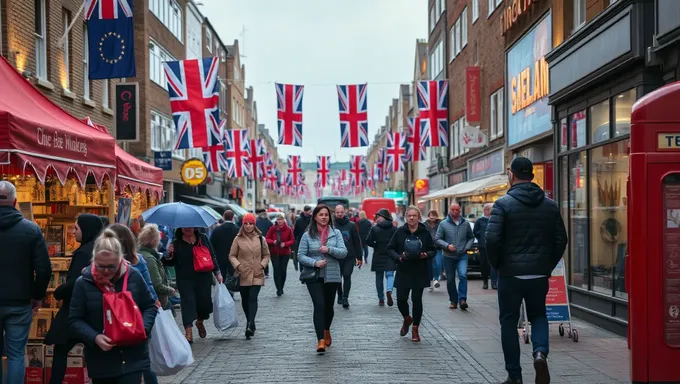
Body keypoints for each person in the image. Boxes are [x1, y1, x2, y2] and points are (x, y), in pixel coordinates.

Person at [485, 157, 567, 384]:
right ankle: (540, 353)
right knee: (539, 315)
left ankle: (515, 376)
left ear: (511, 175)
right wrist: (547, 265)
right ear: (532, 175)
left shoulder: (502, 204)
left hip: (510, 274)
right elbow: (562, 239)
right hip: (538, 274)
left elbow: (491, 239)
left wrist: (497, 264)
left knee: (509, 322)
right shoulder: (550, 205)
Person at [69, 229, 157, 384]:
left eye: (111, 266)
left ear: (121, 260)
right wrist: (95, 337)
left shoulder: (133, 276)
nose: (106, 271)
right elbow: (75, 319)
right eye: (101, 266)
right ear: (93, 260)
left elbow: (150, 306)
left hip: (132, 357)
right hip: (101, 360)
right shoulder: (83, 283)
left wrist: (143, 328)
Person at [0, 181, 51, 383]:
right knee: (15, 354)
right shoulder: (30, 230)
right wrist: (37, 296)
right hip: (19, 302)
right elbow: (44, 269)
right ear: (15, 202)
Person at [45, 214, 103, 384]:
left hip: (76, 309)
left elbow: (74, 283)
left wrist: (58, 292)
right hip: (93, 309)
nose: (73, 232)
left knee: (61, 349)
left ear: (86, 230)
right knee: (92, 349)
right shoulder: (97, 248)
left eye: (76, 228)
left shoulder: (84, 252)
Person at [297, 205, 347, 353]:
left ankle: (326, 329)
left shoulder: (336, 233)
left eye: (326, 215)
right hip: (314, 276)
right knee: (319, 305)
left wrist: (329, 249)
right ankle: (320, 340)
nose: (324, 217)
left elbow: (344, 252)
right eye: (321, 215)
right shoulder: (307, 235)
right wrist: (314, 263)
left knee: (328, 307)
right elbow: (300, 255)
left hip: (331, 275)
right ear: (315, 217)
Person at [165, 227, 222, 343]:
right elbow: (169, 263)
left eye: (190, 226)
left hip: (203, 277)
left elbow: (212, 255)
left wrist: (217, 272)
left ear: (195, 227)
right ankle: (188, 331)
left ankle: (200, 321)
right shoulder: (176, 243)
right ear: (180, 228)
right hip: (185, 279)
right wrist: (168, 254)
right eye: (184, 226)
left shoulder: (203, 238)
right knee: (187, 304)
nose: (188, 228)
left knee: (204, 305)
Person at [387, 206, 436, 342]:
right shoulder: (399, 232)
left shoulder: (424, 232)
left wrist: (426, 254)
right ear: (406, 217)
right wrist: (399, 257)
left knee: (416, 300)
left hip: (419, 270)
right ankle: (407, 318)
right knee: (401, 300)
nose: (412, 218)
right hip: (404, 269)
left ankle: (415, 329)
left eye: (414, 215)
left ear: (418, 217)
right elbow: (390, 249)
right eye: (409, 216)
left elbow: (433, 250)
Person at [229, 213, 271, 340]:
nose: (248, 226)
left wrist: (262, 265)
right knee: (245, 299)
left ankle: (250, 323)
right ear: (243, 224)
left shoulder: (260, 238)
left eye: (251, 223)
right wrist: (238, 266)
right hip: (243, 273)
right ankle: (250, 320)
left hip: (257, 273)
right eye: (246, 223)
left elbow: (266, 255)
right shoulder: (238, 239)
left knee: (253, 297)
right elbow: (232, 255)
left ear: (254, 224)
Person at [435, 203, 475, 310]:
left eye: (457, 210)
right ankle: (453, 300)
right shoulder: (443, 224)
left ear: (460, 211)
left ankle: (462, 300)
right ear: (449, 210)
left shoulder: (465, 224)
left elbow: (471, 238)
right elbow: (437, 239)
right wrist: (447, 245)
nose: (455, 212)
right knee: (450, 279)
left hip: (462, 255)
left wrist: (466, 247)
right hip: (448, 256)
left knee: (463, 275)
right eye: (453, 210)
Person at [138, 224, 176, 310]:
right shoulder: (150, 259)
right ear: (155, 240)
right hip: (156, 302)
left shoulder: (140, 254)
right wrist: (170, 290)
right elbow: (157, 284)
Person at [333, 204, 363, 309]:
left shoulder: (351, 225)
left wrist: (359, 257)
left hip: (349, 256)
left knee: (347, 276)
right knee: (337, 278)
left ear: (344, 212)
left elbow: (356, 241)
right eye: (337, 212)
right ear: (335, 213)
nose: (340, 214)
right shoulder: (331, 225)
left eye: (341, 212)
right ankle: (340, 294)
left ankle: (345, 297)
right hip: (335, 256)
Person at [365, 209, 397, 307]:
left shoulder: (375, 228)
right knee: (390, 274)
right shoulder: (394, 229)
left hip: (378, 254)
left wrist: (376, 245)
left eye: (378, 216)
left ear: (383, 217)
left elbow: (368, 241)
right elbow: (397, 241)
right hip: (390, 255)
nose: (376, 219)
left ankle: (381, 299)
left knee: (379, 277)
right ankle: (389, 290)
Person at [265, 214, 295, 296]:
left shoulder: (288, 229)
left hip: (285, 253)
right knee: (276, 270)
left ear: (284, 220)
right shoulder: (272, 229)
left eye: (281, 219)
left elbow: (292, 240)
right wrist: (273, 242)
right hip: (274, 253)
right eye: (278, 219)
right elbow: (267, 239)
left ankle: (281, 287)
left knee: (283, 271)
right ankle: (278, 289)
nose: (279, 221)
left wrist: (285, 244)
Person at [210, 210, 240, 279]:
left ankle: (223, 289)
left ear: (223, 217)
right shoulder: (237, 230)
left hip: (220, 258)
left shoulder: (217, 230)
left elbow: (211, 244)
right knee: (233, 278)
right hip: (234, 258)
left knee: (221, 278)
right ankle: (231, 288)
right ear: (233, 218)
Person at [473, 203, 496, 290]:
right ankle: (485, 281)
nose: (492, 211)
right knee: (484, 264)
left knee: (493, 264)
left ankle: (494, 282)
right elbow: (475, 232)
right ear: (485, 210)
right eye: (490, 209)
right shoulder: (480, 221)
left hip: (493, 246)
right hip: (483, 246)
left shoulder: (495, 219)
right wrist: (482, 235)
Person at [424, 210, 443, 292]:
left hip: (438, 247)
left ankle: (436, 279)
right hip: (428, 248)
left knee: (438, 263)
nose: (432, 217)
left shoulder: (441, 224)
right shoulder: (424, 225)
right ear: (428, 216)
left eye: (434, 215)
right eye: (431, 215)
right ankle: (430, 282)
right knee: (429, 266)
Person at [293, 206, 313, 271]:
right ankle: (302, 273)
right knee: (302, 257)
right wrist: (295, 241)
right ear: (305, 211)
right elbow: (295, 232)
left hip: (312, 242)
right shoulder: (299, 220)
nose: (310, 212)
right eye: (309, 211)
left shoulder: (312, 219)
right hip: (301, 242)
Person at [255, 210, 274, 278]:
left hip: (257, 241)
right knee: (265, 257)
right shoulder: (269, 222)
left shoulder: (256, 222)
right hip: (266, 242)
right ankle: (266, 272)